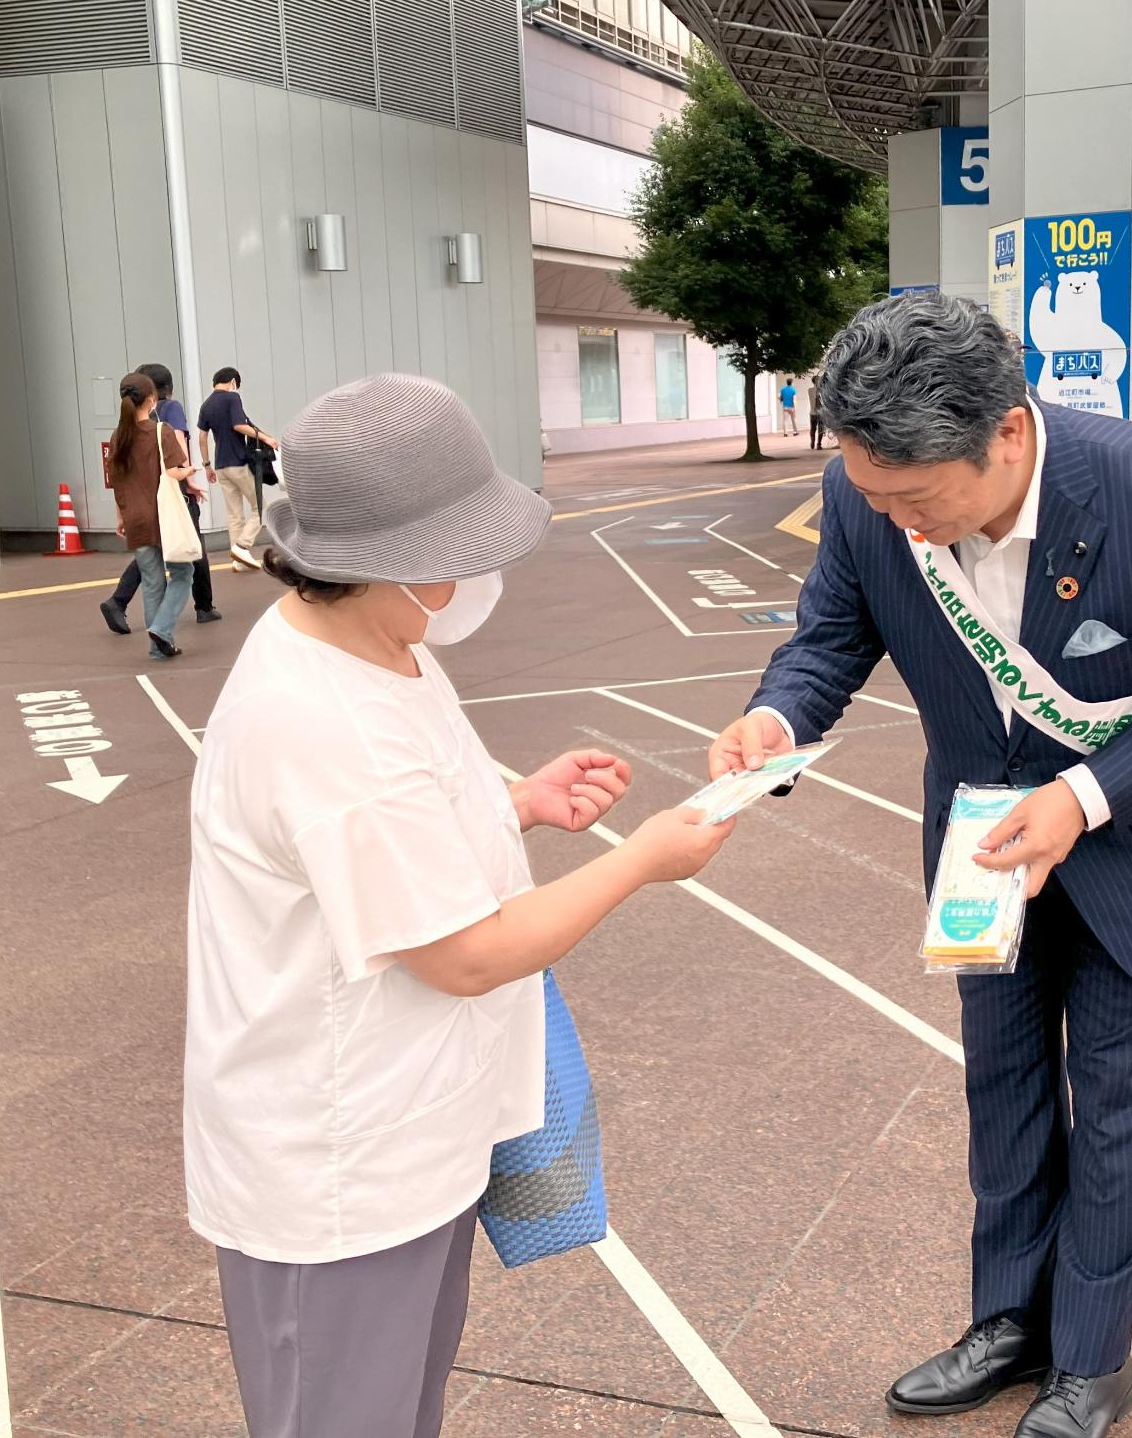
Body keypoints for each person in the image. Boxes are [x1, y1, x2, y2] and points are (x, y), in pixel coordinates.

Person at [708, 295, 1132, 1438]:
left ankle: (1092, 1360)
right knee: (1001, 1093)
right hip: (977, 846)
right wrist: (776, 719)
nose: (898, 525)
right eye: (875, 499)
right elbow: (828, 637)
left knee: (1115, 1111)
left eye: (918, 501)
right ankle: (1007, 1323)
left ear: (1006, 434)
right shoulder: (863, 495)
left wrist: (1081, 798)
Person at [183, 372, 737, 1438]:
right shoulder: (323, 722)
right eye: (453, 556)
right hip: (338, 1172)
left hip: (407, 1134)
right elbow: (467, 954)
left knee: (397, 1409)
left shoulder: (374, 645)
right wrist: (639, 862)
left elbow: (408, 818)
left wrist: (514, 802)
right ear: (378, 562)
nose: (471, 577)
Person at [101, 363, 219, 635]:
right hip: (164, 517)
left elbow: (116, 482)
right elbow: (174, 470)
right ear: (152, 398)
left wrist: (121, 518)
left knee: (153, 583)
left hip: (135, 519)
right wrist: (191, 472)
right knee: (183, 575)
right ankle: (161, 630)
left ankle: (158, 646)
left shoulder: (117, 437)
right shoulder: (160, 430)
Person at [199, 366, 274, 570]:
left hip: (221, 466)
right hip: (239, 463)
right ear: (232, 381)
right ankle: (242, 545)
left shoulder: (206, 405)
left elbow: (202, 437)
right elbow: (239, 425)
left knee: (234, 514)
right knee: (261, 508)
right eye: (236, 385)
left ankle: (238, 561)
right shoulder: (232, 399)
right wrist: (266, 437)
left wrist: (207, 465)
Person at [809, 377, 826, 450]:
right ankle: (817, 444)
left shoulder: (810, 390)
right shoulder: (821, 391)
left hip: (814, 413)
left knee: (814, 429)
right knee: (819, 429)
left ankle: (814, 442)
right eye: (819, 380)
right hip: (818, 413)